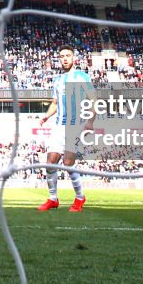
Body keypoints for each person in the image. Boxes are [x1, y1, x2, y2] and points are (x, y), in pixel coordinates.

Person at [36, 45, 94, 213]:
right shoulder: (58, 80)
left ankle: (80, 198)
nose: (65, 58)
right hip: (59, 126)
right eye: (62, 56)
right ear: (59, 59)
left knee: (68, 163)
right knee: (50, 163)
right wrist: (46, 116)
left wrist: (90, 122)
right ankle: (53, 199)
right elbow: (55, 103)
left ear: (74, 58)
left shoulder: (82, 77)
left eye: (68, 55)